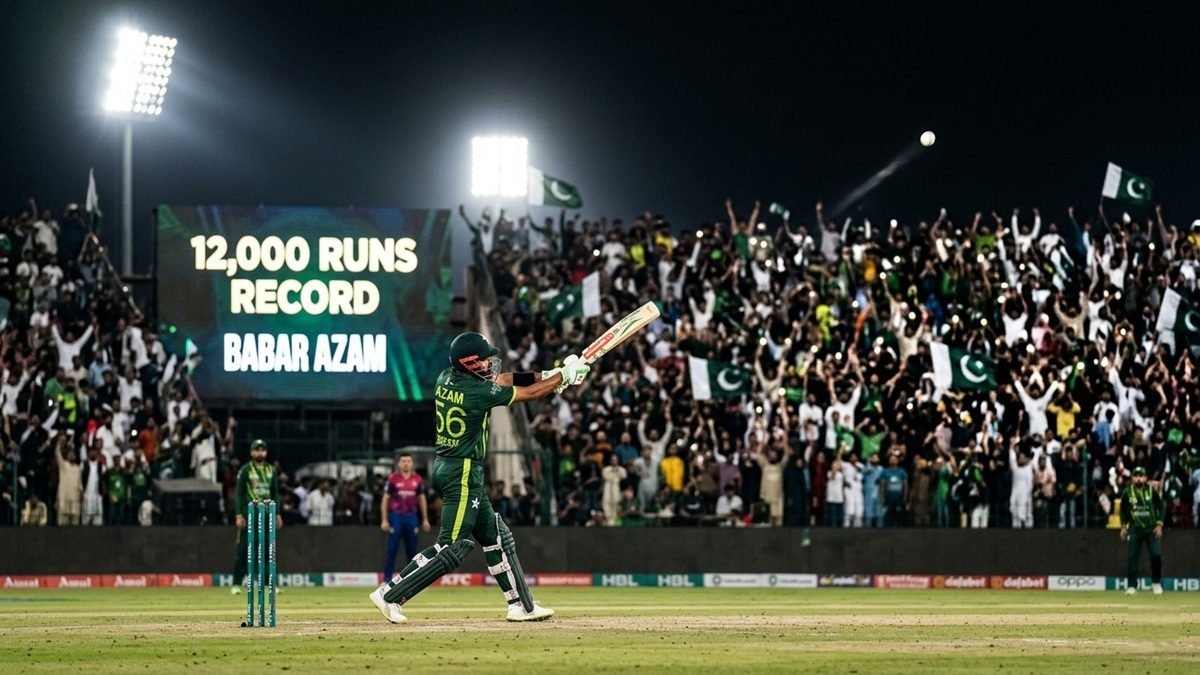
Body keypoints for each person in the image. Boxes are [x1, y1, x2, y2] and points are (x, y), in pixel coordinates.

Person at [369, 331, 590, 623]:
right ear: (470, 363)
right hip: (461, 472)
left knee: (497, 537)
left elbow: (504, 379)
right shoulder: (477, 393)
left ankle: (521, 606)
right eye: (485, 359)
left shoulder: (446, 378)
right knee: (452, 546)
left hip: (454, 467)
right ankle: (390, 594)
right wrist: (564, 378)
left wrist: (551, 373)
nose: (490, 363)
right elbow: (530, 393)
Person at [231, 439, 281, 595]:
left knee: (267, 550)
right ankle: (237, 583)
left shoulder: (271, 470)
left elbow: (275, 494)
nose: (260, 453)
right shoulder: (245, 470)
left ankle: (268, 583)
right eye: (257, 450)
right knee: (243, 550)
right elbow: (239, 494)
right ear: (252, 452)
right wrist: (239, 514)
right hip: (249, 515)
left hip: (267, 515)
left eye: (263, 450)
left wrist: (277, 513)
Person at [381, 453, 431, 579]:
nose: (406, 463)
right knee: (392, 549)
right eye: (403, 461)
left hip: (411, 517)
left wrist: (425, 519)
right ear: (398, 463)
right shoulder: (393, 479)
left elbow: (422, 499)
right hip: (396, 516)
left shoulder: (417, 479)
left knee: (412, 551)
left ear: (412, 463)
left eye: (408, 461)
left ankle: (411, 579)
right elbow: (385, 500)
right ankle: (386, 579)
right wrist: (384, 520)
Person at [1119, 467, 1164, 595]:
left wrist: (1159, 524)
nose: (1138, 478)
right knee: (1132, 557)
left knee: (1156, 555)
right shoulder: (1127, 492)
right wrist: (1123, 526)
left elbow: (1161, 505)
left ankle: (1156, 583)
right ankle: (1132, 586)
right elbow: (1123, 510)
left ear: (1145, 478)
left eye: (1141, 476)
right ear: (1132, 478)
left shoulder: (1151, 490)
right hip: (1135, 529)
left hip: (1151, 529)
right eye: (1136, 475)